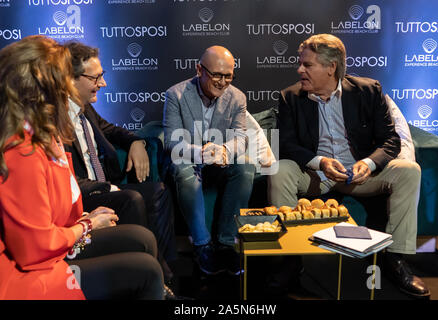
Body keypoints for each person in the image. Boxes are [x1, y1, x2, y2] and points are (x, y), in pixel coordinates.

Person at [0, 35, 164, 299]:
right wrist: (86, 227)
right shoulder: (21, 149)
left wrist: (83, 221)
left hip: (55, 247)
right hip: (31, 275)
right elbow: (35, 249)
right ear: (42, 85)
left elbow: (61, 209)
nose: (70, 90)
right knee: (146, 271)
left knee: (141, 239)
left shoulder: (44, 133)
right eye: (65, 77)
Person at [268, 33, 430, 298]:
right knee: (279, 169)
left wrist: (368, 162)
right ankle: (288, 263)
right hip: (316, 175)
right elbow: (284, 145)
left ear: (331, 67)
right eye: (300, 64)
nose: (300, 70)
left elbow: (391, 140)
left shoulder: (368, 90)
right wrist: (319, 162)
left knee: (410, 172)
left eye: (307, 65)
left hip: (359, 175)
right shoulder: (290, 97)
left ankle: (395, 259)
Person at [63, 41, 178, 289]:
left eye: (101, 76)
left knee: (158, 191)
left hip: (104, 185)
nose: (102, 84)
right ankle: (159, 280)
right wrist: (108, 188)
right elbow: (67, 181)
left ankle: (167, 273)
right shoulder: (55, 119)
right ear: (71, 80)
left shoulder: (84, 109)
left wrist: (137, 142)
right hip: (81, 197)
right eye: (95, 78)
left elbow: (110, 130)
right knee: (131, 199)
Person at [163, 46, 255, 275]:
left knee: (245, 165)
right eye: (216, 75)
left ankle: (226, 242)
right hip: (189, 157)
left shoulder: (238, 97)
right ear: (199, 70)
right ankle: (202, 245)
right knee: (182, 170)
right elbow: (172, 142)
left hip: (221, 159)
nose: (222, 82)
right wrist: (202, 152)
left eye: (228, 76)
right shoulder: (175, 94)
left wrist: (224, 150)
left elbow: (241, 138)